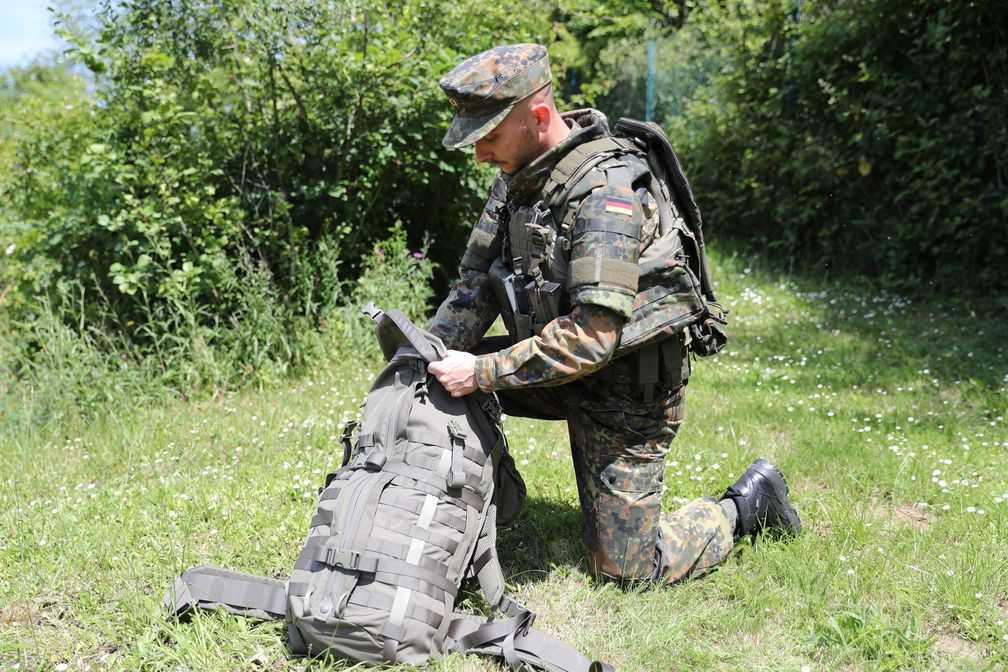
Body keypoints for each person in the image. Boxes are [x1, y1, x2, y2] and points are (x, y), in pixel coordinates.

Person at [427, 44, 801, 584]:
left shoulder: (607, 193)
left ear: (537, 117)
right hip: (558, 372)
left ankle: (746, 507)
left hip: (624, 395)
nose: (481, 154)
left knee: (628, 572)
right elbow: (474, 287)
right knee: (440, 376)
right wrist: (427, 357)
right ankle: (473, 498)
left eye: (488, 137)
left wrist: (480, 371)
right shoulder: (518, 179)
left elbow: (592, 339)